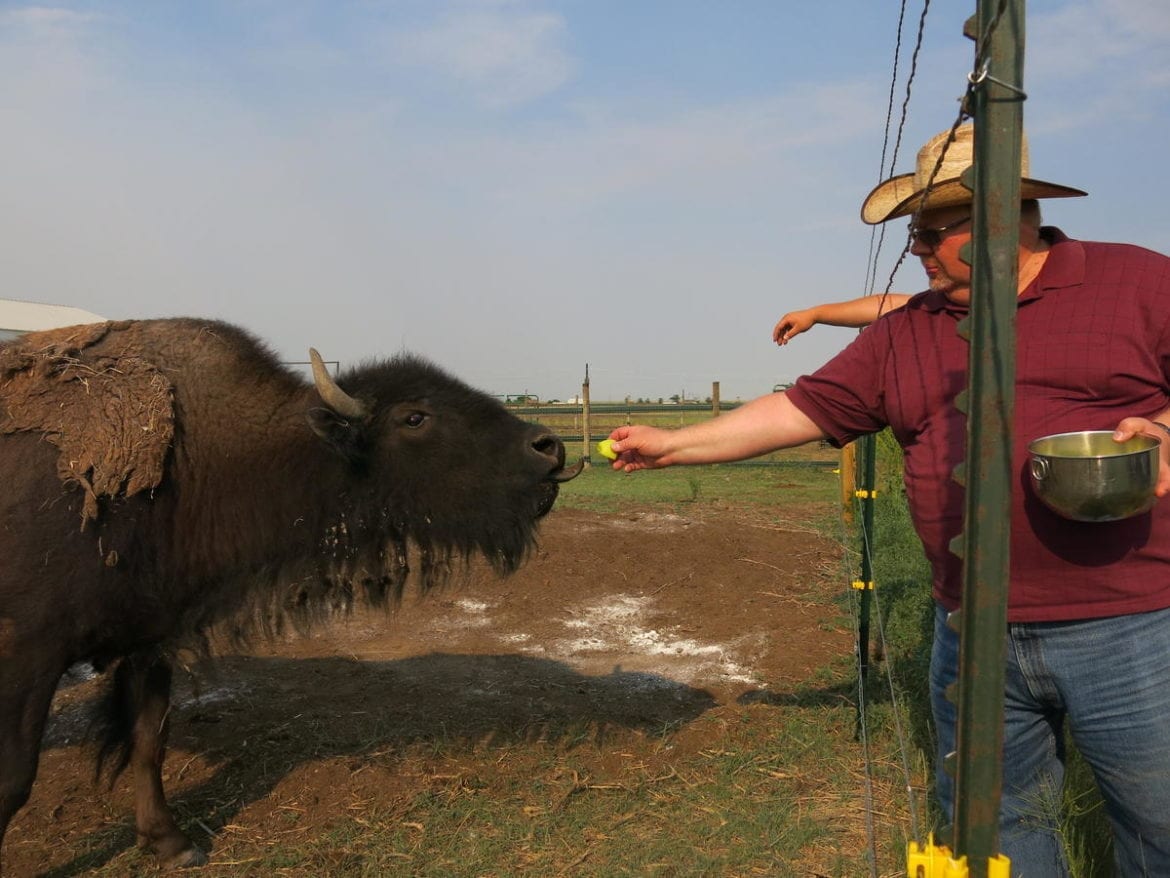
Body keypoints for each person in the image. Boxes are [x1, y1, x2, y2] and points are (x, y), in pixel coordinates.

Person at [606, 122, 1170, 876]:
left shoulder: (1137, 284)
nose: (917, 250)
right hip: (967, 629)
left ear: (1001, 218)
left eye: (932, 232)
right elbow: (800, 410)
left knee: (1157, 823)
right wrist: (672, 444)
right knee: (997, 829)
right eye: (915, 234)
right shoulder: (908, 331)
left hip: (1130, 628)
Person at [772, 292, 910, 345]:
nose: (916, 249)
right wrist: (813, 315)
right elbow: (888, 304)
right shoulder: (923, 304)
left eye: (931, 237)